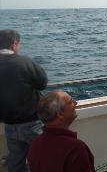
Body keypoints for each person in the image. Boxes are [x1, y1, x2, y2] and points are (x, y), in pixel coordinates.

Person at [0, 29, 48, 172]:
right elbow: (42, 83)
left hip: (9, 124)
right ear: (14, 44)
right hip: (31, 123)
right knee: (45, 156)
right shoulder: (23, 61)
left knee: (16, 161)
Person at [27, 90, 95, 172]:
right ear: (60, 114)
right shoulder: (75, 148)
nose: (75, 103)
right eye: (70, 102)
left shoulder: (35, 144)